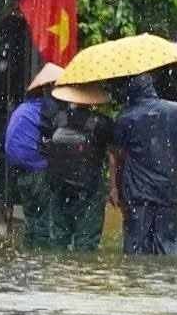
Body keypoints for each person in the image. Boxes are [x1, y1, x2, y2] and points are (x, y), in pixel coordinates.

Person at [109, 73, 177, 257]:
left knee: (135, 252)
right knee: (168, 251)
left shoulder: (126, 117)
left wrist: (116, 188)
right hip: (167, 193)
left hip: (137, 196)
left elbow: (118, 155)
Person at [35, 83, 116, 251]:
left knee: (57, 239)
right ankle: (82, 273)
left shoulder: (57, 119)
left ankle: (57, 273)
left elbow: (43, 146)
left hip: (58, 187)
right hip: (89, 188)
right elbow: (112, 151)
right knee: (87, 242)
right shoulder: (101, 123)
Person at [2, 63, 62, 248]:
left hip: (22, 174)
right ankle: (41, 262)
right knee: (45, 223)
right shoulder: (49, 107)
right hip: (38, 172)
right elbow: (57, 134)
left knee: (31, 222)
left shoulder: (25, 108)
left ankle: (30, 259)